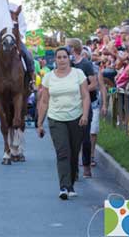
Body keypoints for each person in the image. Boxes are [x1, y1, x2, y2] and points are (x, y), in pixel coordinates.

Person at [37, 47, 90, 200]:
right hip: (56, 119)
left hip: (76, 117)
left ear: (69, 59)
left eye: (64, 57)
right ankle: (64, 187)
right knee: (62, 153)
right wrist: (40, 123)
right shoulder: (48, 77)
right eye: (59, 57)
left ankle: (71, 183)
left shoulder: (78, 74)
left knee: (73, 153)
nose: (61, 60)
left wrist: (85, 115)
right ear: (55, 60)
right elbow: (44, 101)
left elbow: (85, 96)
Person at [66, 38, 98, 178]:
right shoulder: (68, 64)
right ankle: (74, 168)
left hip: (84, 105)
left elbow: (93, 84)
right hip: (70, 106)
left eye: (68, 47)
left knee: (85, 138)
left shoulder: (86, 64)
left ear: (73, 48)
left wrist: (80, 91)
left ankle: (86, 165)